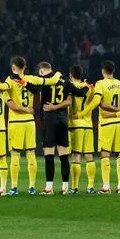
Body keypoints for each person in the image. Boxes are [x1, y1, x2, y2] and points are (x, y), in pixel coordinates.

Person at [1, 56, 61, 196]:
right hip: (29, 122)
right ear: (25, 67)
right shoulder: (32, 79)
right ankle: (32, 187)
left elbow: (10, 104)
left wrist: (23, 109)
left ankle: (14, 187)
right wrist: (58, 74)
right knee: (31, 153)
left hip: (16, 122)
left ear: (13, 68)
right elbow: (51, 80)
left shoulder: (9, 81)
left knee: (15, 154)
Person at [36, 60, 83, 195]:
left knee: (49, 154)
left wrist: (52, 107)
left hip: (49, 119)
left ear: (41, 71)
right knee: (63, 155)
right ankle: (65, 187)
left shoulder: (43, 81)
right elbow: (70, 100)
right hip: (63, 119)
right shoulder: (65, 80)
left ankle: (49, 188)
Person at [92, 60, 120, 194]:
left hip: (106, 123)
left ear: (103, 71)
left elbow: (100, 103)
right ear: (113, 71)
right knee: (119, 154)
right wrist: (117, 112)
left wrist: (110, 112)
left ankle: (106, 187)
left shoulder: (100, 84)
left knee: (105, 154)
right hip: (119, 123)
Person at [66, 65, 99, 194]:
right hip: (88, 125)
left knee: (76, 157)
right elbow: (94, 102)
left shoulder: (69, 87)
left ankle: (74, 187)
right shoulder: (90, 88)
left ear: (70, 75)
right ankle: (90, 187)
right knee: (89, 156)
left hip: (75, 124)